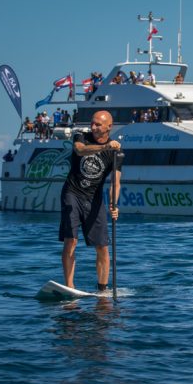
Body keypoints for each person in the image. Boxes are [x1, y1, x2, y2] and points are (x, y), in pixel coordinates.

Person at [59, 110, 123, 291]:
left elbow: (115, 183)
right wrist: (105, 147)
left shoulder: (116, 153)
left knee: (102, 246)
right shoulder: (81, 136)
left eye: (98, 124)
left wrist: (113, 204)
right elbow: (79, 150)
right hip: (72, 193)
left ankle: (102, 289)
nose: (93, 127)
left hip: (94, 198)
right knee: (71, 240)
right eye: (92, 123)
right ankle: (70, 287)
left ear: (109, 127)